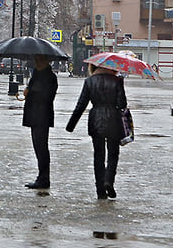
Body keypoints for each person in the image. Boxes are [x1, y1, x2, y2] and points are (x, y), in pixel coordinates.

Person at [65, 64, 128, 199]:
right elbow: (122, 103)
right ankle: (108, 181)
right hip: (113, 120)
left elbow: (81, 104)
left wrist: (71, 125)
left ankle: (100, 190)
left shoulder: (89, 81)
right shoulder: (117, 81)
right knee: (113, 154)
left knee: (98, 156)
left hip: (96, 120)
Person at [22, 54, 58, 189]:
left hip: (42, 115)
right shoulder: (36, 75)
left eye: (38, 60)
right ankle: (41, 176)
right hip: (34, 115)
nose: (36, 62)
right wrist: (28, 91)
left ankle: (44, 178)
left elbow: (47, 96)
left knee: (42, 147)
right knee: (38, 147)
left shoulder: (49, 77)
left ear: (44, 61)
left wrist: (30, 92)